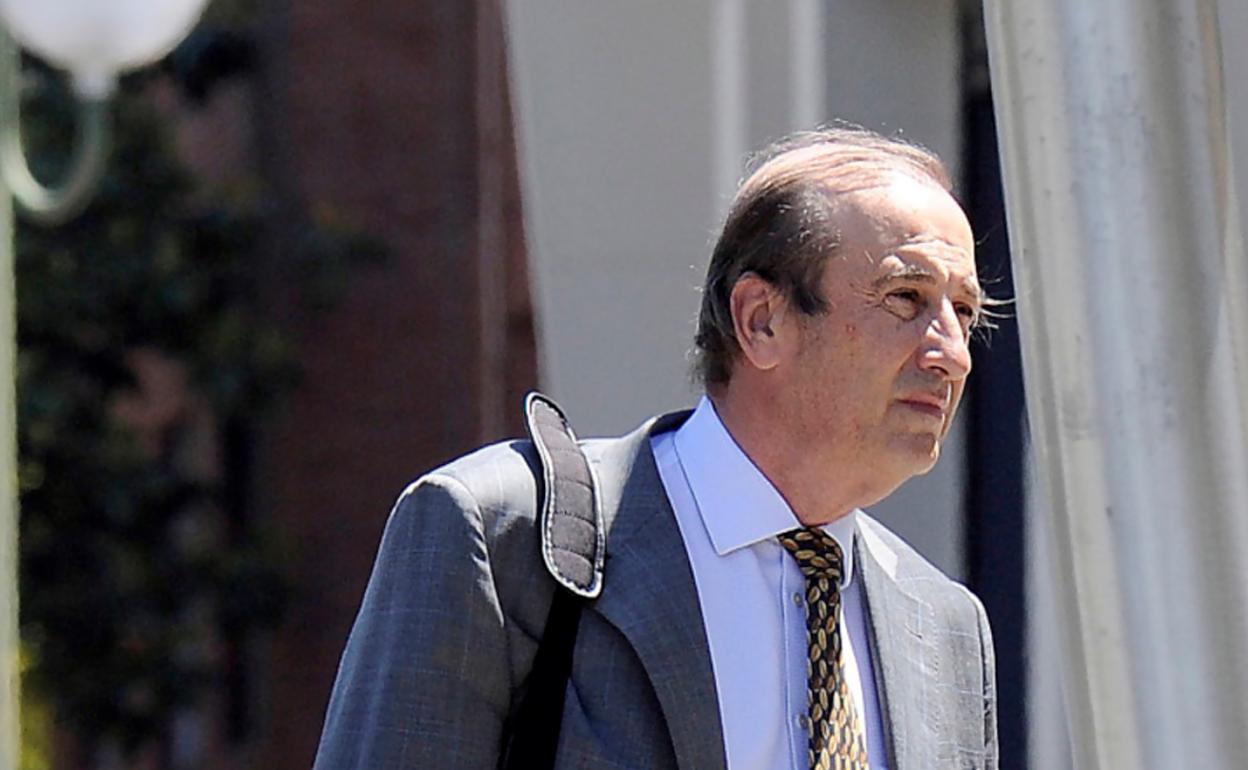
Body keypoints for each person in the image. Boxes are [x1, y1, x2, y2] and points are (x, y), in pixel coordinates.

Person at [313, 126, 997, 770]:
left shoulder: (946, 627)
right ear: (761, 320)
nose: (953, 354)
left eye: (964, 312)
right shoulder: (500, 537)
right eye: (906, 298)